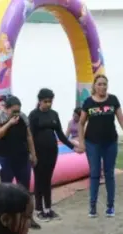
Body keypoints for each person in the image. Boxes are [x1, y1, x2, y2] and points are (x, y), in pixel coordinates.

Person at [77, 74, 123, 218]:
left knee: (109, 174)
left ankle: (110, 207)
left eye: (104, 84)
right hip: (92, 143)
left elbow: (121, 119)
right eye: (99, 84)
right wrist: (82, 142)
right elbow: (81, 123)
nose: (102, 87)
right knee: (95, 174)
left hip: (110, 143)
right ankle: (93, 206)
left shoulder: (113, 100)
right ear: (94, 86)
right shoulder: (88, 102)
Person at [0, 95, 41, 229]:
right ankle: (5, 219)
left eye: (18, 110)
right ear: (6, 109)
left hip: (22, 158)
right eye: (14, 111)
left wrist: (33, 154)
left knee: (25, 190)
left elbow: (29, 136)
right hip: (5, 158)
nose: (17, 113)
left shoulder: (23, 116)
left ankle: (28, 218)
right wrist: (9, 123)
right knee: (5, 189)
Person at [29, 88, 75, 221]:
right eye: (46, 101)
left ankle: (48, 208)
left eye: (50, 101)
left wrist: (72, 147)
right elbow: (29, 136)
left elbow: (60, 134)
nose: (48, 104)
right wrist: (31, 154)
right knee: (39, 179)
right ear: (39, 101)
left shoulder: (54, 114)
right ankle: (38, 209)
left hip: (52, 152)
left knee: (48, 180)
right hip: (38, 152)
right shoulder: (34, 115)